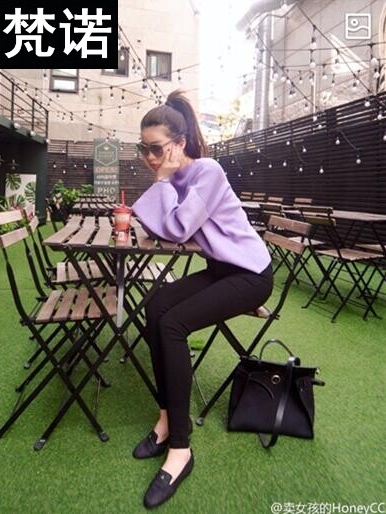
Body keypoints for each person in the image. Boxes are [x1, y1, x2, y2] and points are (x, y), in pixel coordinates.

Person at [131, 90, 273, 509]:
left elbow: (175, 229)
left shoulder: (207, 171)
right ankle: (166, 417)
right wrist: (164, 187)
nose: (150, 157)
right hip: (221, 271)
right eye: (144, 149)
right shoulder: (177, 178)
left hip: (250, 274)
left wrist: (161, 183)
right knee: (155, 306)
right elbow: (161, 227)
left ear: (178, 144)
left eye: (156, 149)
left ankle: (180, 449)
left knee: (173, 325)